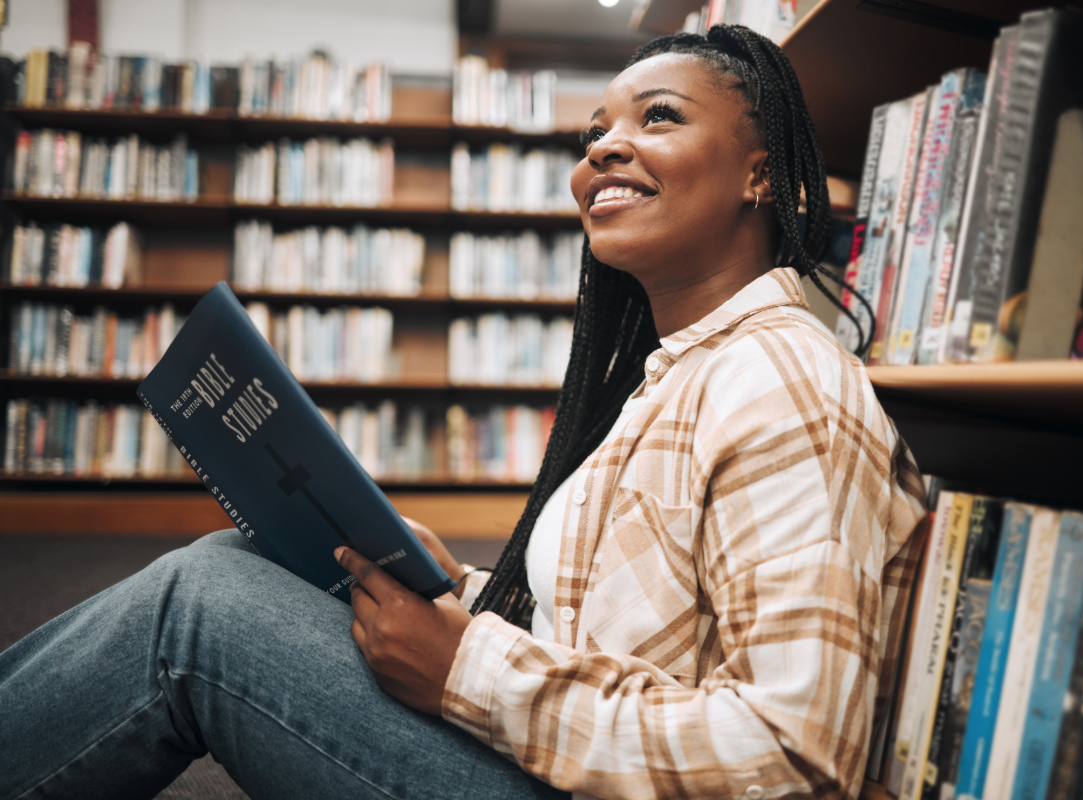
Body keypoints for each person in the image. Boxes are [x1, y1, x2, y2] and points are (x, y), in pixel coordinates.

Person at [0, 25, 926, 800]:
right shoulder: (679, 373)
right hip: (556, 762)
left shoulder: (782, 381)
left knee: (196, 608)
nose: (601, 148)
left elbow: (798, 757)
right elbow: (630, 637)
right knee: (238, 561)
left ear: (761, 176)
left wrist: (469, 671)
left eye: (659, 118)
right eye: (593, 131)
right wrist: (465, 596)